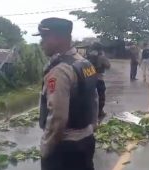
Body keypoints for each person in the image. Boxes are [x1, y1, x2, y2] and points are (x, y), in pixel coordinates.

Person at [35, 18, 98, 170]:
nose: (41, 43)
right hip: (86, 140)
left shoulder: (60, 70)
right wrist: (92, 126)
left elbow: (58, 117)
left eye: (44, 37)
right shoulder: (84, 63)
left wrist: (46, 147)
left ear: (58, 38)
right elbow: (94, 97)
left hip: (65, 148)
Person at [86, 42, 111, 121]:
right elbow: (108, 66)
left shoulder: (87, 56)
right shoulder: (101, 57)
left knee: (90, 97)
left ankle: (90, 112)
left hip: (88, 79)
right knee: (101, 96)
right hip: (99, 79)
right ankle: (100, 112)